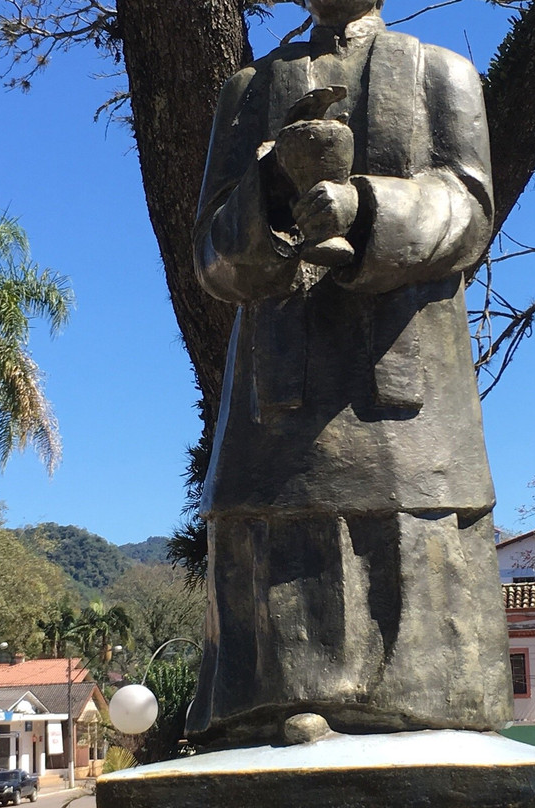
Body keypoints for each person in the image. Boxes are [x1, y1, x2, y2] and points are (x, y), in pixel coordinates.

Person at [187, 0, 511, 745]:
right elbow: (212, 254)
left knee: (414, 530)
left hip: (405, 370)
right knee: (276, 534)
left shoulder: (440, 72)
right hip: (279, 378)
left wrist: (363, 206)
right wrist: (274, 183)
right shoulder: (249, 91)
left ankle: (423, 703)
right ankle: (272, 706)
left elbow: (468, 211)